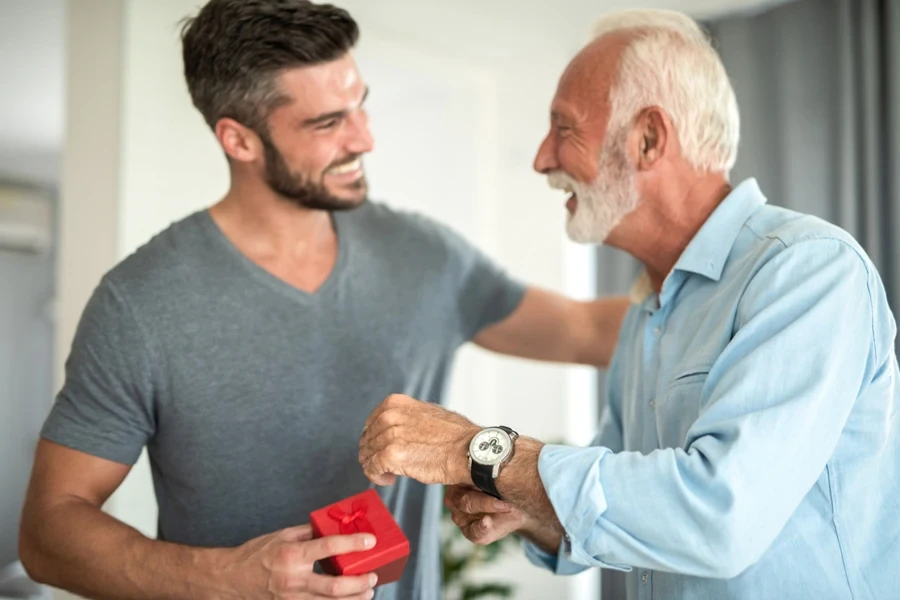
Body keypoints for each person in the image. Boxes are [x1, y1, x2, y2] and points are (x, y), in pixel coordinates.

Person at [16, 2, 631, 599]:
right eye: (328, 123)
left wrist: (724, 282)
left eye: (358, 105)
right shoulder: (141, 303)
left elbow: (583, 329)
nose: (364, 139)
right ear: (240, 140)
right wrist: (233, 579)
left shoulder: (423, 256)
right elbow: (49, 532)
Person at [358, 9, 900, 600]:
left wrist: (479, 450)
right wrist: (531, 509)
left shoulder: (806, 270)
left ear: (648, 139)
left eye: (563, 129)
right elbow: (633, 501)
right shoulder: (648, 311)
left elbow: (719, 516)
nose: (542, 158)